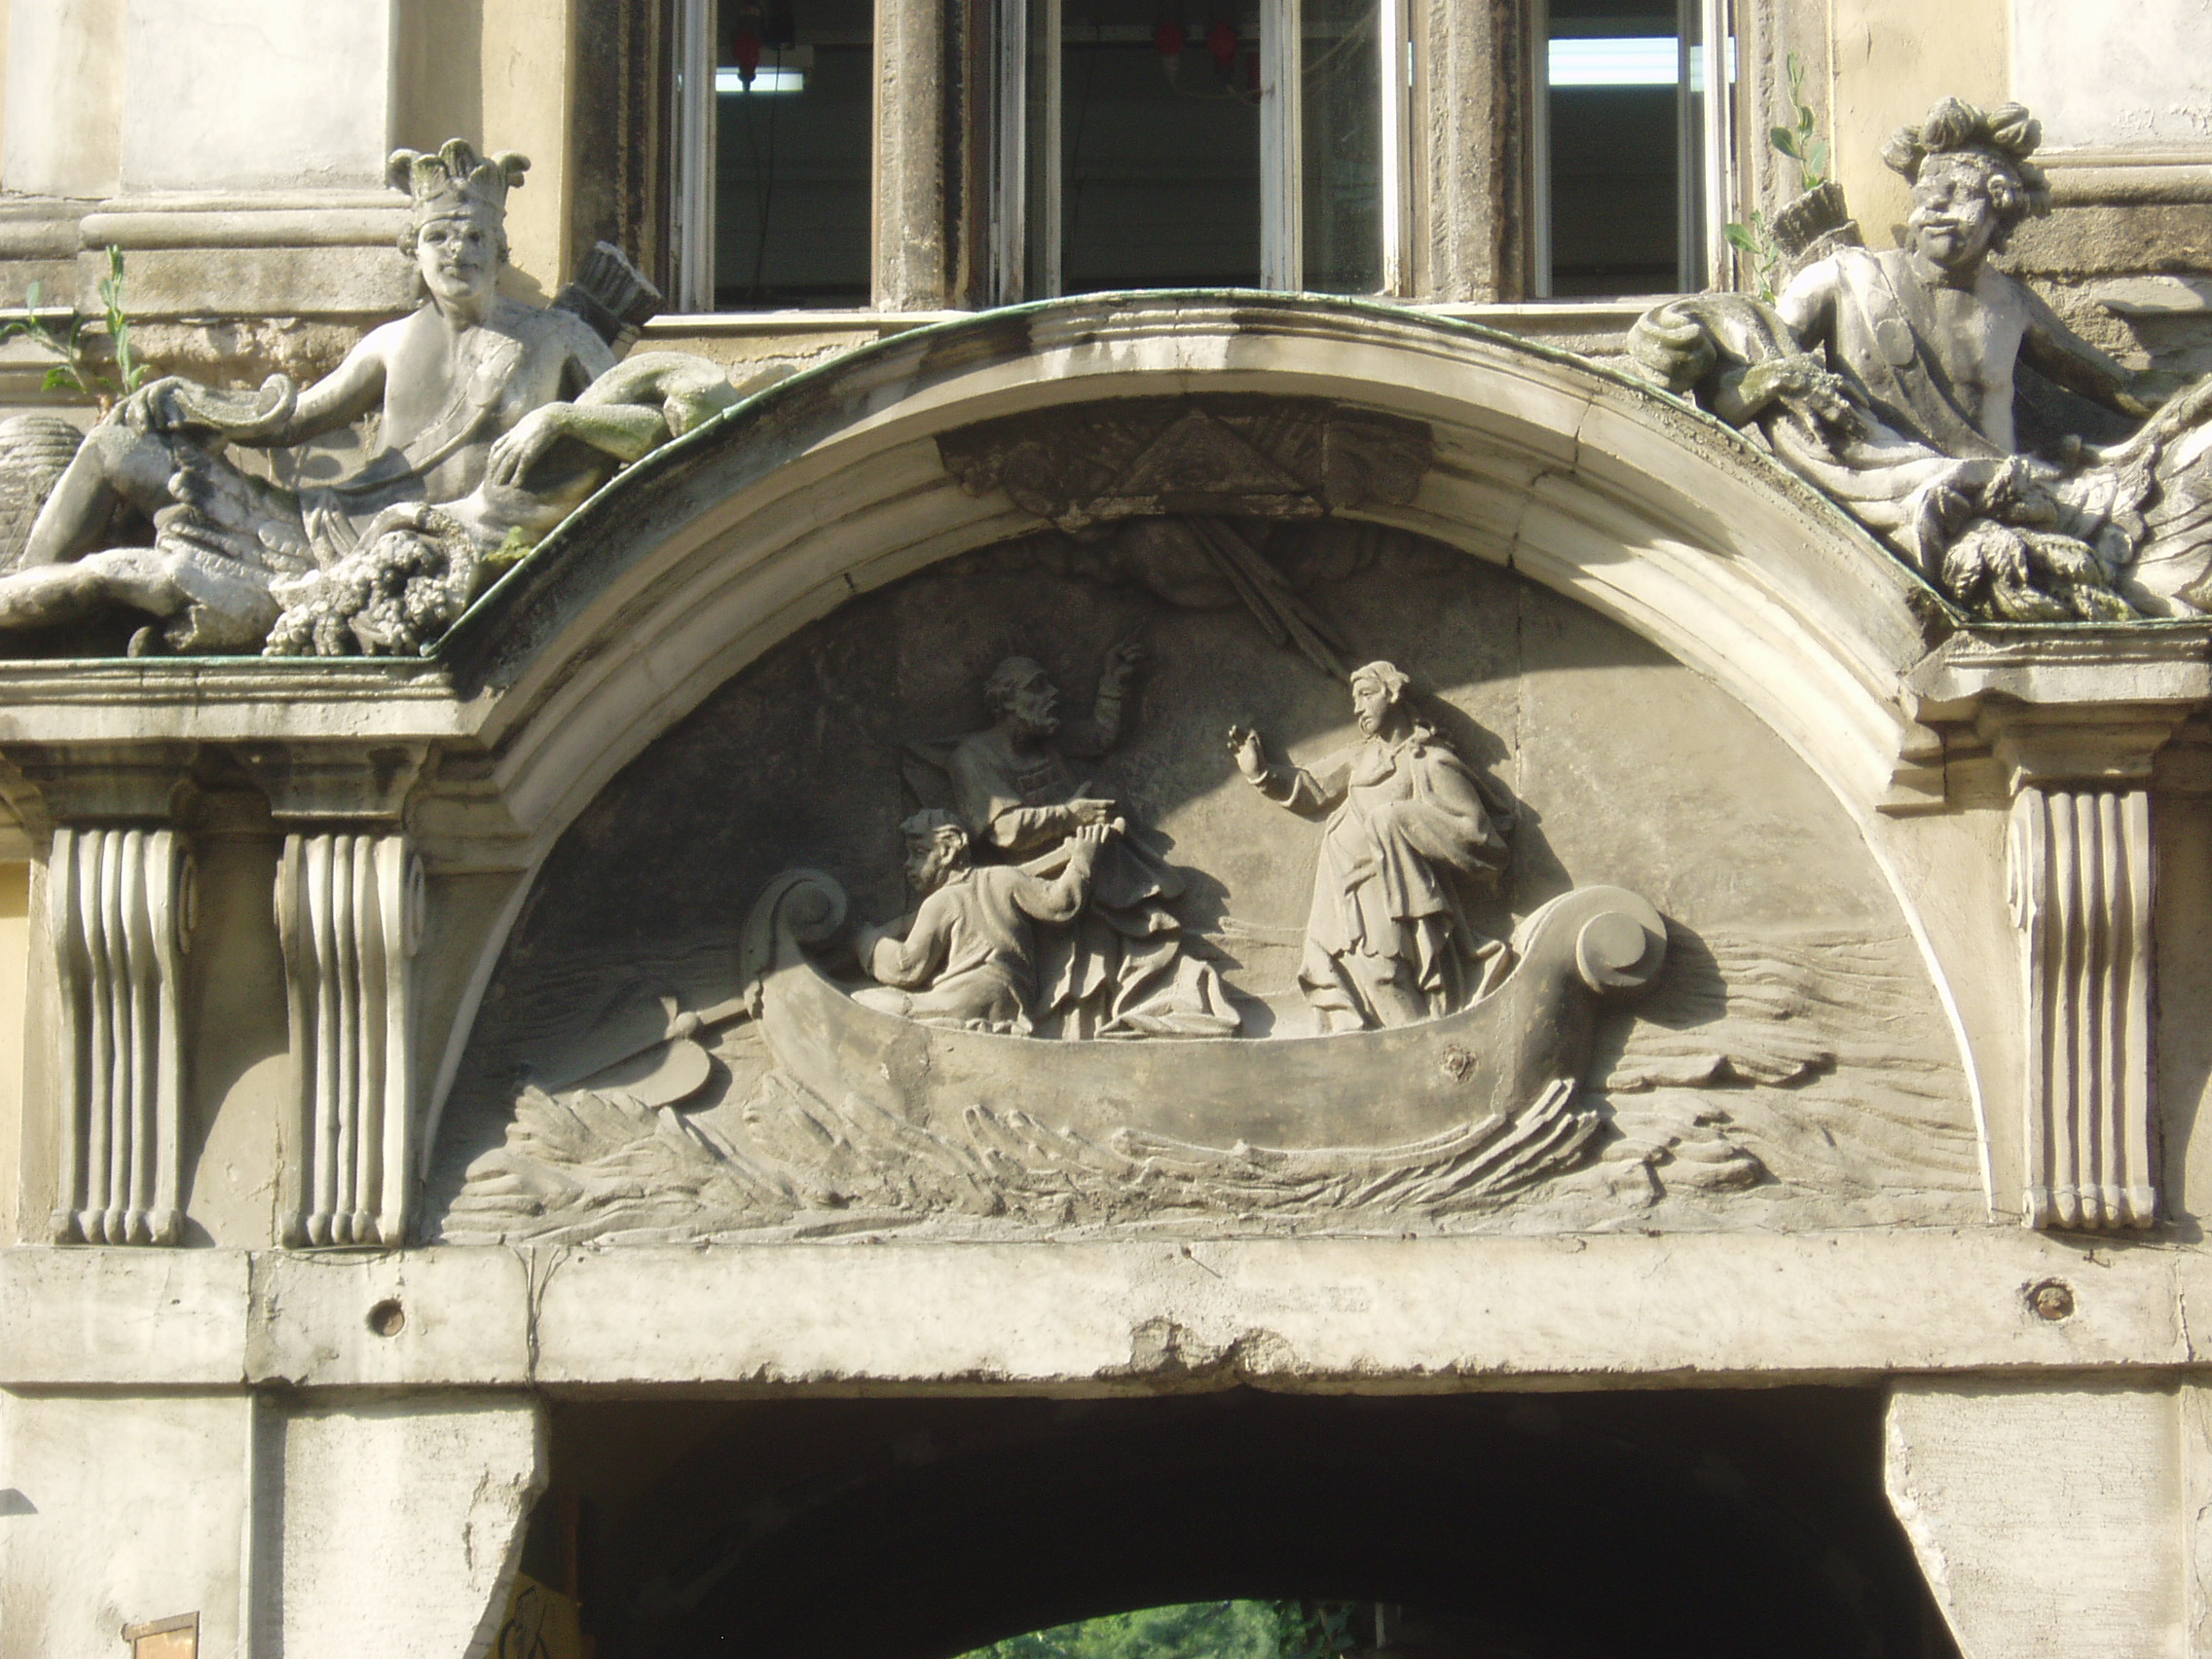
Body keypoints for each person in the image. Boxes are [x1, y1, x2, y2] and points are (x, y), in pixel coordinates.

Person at [0, 139, 715, 652]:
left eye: (475, 236)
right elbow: (289, 421)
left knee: (123, 573)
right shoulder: (390, 343)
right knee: (120, 444)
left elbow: (644, 413)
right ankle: (26, 595)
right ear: (415, 249)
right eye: (439, 235)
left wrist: (556, 415)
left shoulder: (557, 337)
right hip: (326, 531)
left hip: (443, 546)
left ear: (500, 250)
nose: (458, 251)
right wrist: (191, 404)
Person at [1632, 96, 2212, 621]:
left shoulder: (2014, 306)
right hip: (1896, 494)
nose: (1935, 206)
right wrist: (1762, 374)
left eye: (1959, 194)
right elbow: (1743, 373)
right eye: (1927, 192)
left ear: (2000, 210)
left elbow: (2121, 388)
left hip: (2014, 499)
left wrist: (2193, 399)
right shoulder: (1844, 279)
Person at [924, 647, 1238, 1039]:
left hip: (1081, 861)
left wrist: (1112, 685)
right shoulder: (973, 757)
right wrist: (1072, 815)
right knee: (1104, 921)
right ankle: (1099, 1011)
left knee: (1122, 892)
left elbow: (1099, 738)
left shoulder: (1045, 741)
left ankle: (1139, 995)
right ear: (1006, 701)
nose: (1052, 694)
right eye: (1037, 688)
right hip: (1029, 882)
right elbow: (1004, 830)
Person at [1228, 661, 1510, 1032]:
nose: (1358, 708)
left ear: (1392, 694)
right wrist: (1261, 773)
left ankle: (1424, 1047)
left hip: (1390, 893)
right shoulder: (1362, 756)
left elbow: (1477, 835)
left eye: (1366, 695)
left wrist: (1400, 819)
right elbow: (1312, 787)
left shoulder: (1429, 761)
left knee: (1386, 975)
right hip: (1342, 892)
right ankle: (1409, 1047)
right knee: (1355, 981)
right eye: (1354, 699)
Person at [853, 811, 1114, 1034]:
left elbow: (906, 967)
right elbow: (1060, 903)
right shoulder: (1004, 877)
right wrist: (1082, 861)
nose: (908, 865)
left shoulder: (942, 901)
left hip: (966, 999)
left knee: (865, 999)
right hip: (1013, 998)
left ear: (947, 852)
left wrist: (864, 941)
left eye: (919, 853)